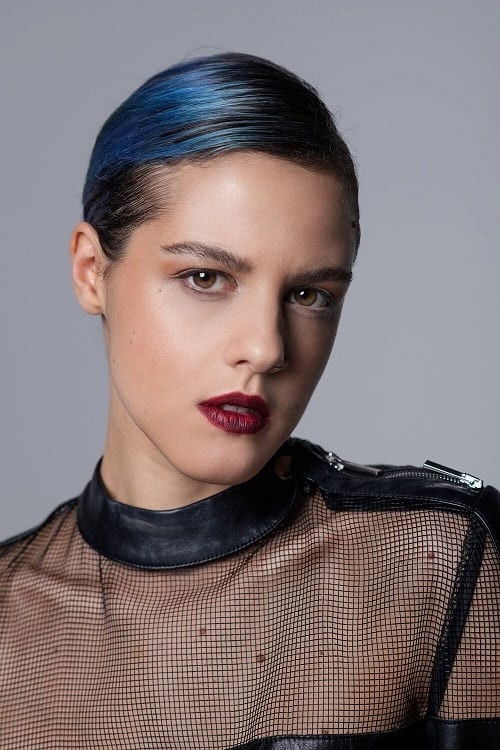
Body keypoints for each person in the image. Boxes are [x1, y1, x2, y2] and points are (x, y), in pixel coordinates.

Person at [0, 51, 498, 749]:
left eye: (309, 295)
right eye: (206, 277)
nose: (266, 348)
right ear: (91, 272)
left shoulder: (436, 561)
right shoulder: (9, 613)